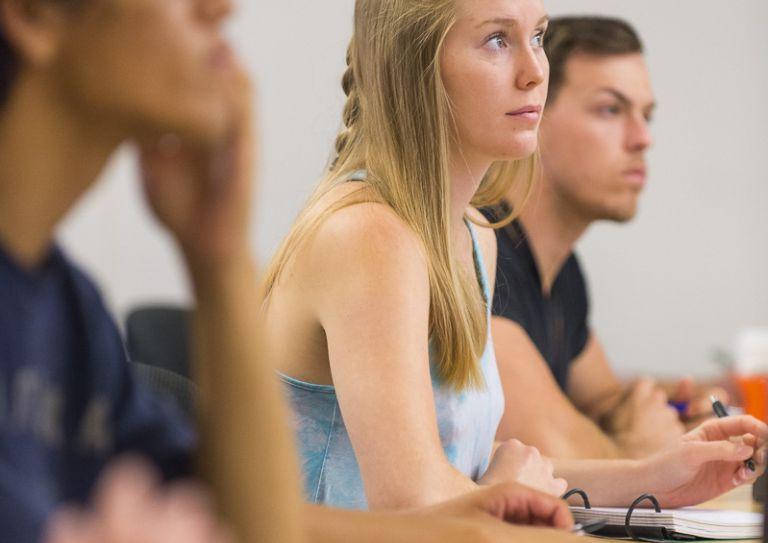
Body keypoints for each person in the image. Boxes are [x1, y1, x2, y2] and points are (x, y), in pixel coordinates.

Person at [0, 0, 585, 542]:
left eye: (537, 38)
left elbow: (249, 525)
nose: (219, 8)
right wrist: (495, 516)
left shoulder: (68, 310)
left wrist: (217, 257)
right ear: (33, 13)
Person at [261, 0, 768, 514]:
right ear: (416, 66)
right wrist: (506, 490)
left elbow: (471, 475)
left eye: (539, 37)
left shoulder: (475, 233)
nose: (534, 73)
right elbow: (412, 501)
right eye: (498, 41)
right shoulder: (369, 236)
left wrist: (662, 476)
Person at [484, 16, 727, 460]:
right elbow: (557, 453)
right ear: (533, 110)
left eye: (646, 116)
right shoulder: (480, 248)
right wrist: (645, 449)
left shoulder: (562, 272)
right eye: (611, 110)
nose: (643, 139)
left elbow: (606, 402)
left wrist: (673, 414)